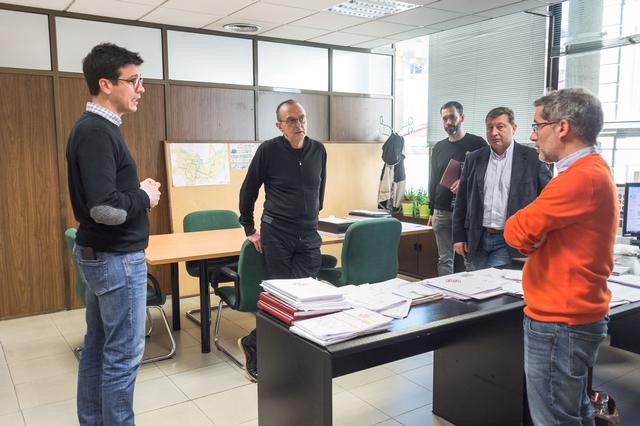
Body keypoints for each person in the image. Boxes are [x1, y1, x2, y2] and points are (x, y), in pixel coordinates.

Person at [504, 88, 617, 425]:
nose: (532, 136)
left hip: (559, 323)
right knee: (576, 412)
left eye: (538, 126)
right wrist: (536, 236)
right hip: (571, 319)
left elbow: (515, 232)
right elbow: (528, 235)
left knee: (554, 419)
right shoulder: (591, 170)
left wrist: (534, 236)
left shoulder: (579, 178)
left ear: (562, 127)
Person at [66, 43, 161, 425]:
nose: (141, 88)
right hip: (117, 259)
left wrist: (133, 193)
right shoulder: (96, 132)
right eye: (133, 80)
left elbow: (103, 197)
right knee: (122, 356)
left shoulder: (96, 128)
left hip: (103, 256)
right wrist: (144, 196)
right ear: (106, 84)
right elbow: (104, 210)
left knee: (97, 348)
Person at [237, 99, 327, 381]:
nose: (299, 124)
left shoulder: (318, 150)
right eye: (292, 120)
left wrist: (311, 217)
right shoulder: (269, 150)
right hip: (277, 234)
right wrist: (249, 228)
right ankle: (255, 346)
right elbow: (248, 190)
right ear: (280, 126)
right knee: (281, 298)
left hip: (308, 234)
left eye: (302, 118)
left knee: (306, 297)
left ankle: (288, 350)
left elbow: (319, 190)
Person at [452, 107, 551, 270]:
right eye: (489, 127)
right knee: (474, 282)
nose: (494, 132)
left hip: (509, 240)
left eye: (500, 127)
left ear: (514, 128)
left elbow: (547, 200)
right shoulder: (474, 159)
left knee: (494, 282)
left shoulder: (533, 158)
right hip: (476, 238)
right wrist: (458, 237)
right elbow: (461, 200)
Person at [428, 101, 486, 276]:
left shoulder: (478, 143)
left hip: (467, 212)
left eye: (452, 117)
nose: (448, 122)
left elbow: (487, 174)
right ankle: (444, 292)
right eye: (444, 118)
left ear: (461, 117)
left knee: (470, 259)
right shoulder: (439, 147)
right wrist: (431, 210)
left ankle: (471, 292)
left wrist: (465, 181)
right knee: (444, 259)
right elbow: (433, 180)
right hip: (441, 211)